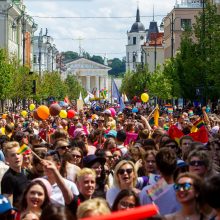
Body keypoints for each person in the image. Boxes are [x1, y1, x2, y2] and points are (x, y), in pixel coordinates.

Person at [139, 148, 181, 215]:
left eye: (153, 161)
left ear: (157, 167)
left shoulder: (146, 191)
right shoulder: (184, 190)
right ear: (176, 167)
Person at [1, 141, 29, 208]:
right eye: (13, 155)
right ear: (7, 159)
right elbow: (8, 207)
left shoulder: (23, 171)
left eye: (18, 153)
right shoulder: (8, 178)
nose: (17, 157)